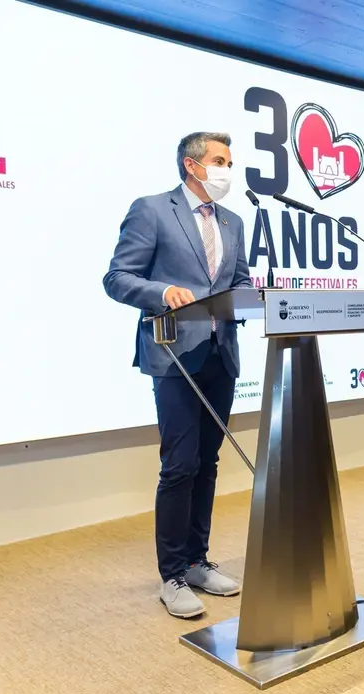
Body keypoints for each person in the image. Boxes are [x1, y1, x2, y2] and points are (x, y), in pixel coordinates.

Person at [103, 132, 252, 618]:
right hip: (173, 356)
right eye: (219, 160)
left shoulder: (232, 221)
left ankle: (196, 561)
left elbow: (239, 282)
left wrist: (254, 295)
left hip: (221, 354)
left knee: (207, 463)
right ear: (192, 165)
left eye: (228, 162)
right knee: (180, 466)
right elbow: (117, 278)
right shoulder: (152, 210)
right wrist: (163, 292)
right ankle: (172, 575)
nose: (227, 169)